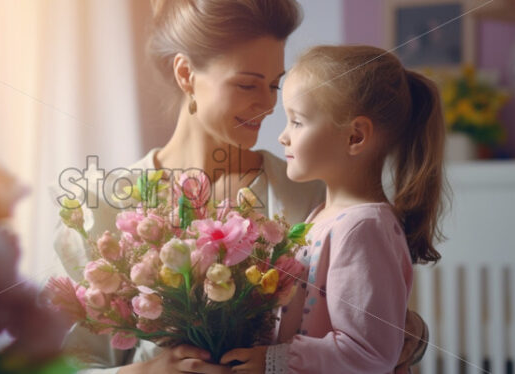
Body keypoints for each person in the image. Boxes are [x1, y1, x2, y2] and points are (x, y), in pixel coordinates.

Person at [53, 1, 323, 373]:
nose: (267, 104)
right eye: (247, 83)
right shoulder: (101, 205)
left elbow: (357, 328)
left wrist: (410, 334)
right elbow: (68, 364)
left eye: (274, 85)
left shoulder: (308, 195)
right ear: (186, 74)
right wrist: (149, 371)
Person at [219, 45, 446, 373]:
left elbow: (369, 351)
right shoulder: (324, 215)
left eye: (297, 122)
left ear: (355, 136)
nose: (282, 136)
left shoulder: (364, 228)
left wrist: (273, 362)